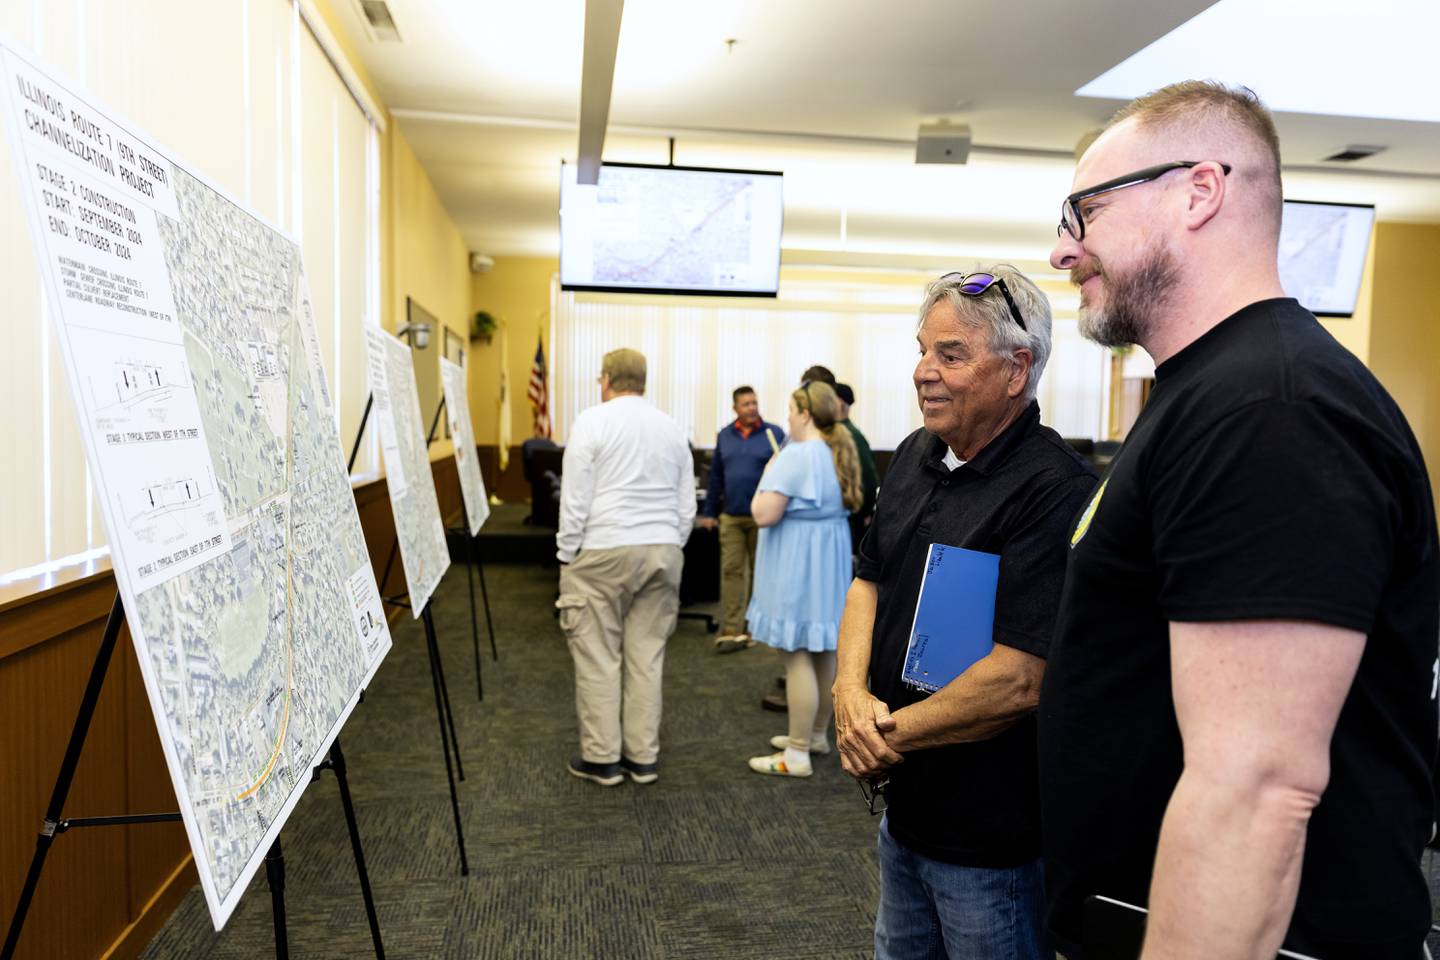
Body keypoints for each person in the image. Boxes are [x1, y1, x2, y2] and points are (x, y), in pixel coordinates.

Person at [1041, 81, 1439, 960]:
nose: (1065, 252)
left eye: (1084, 212)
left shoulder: (1270, 409)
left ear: (1199, 191)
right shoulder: (1214, 392)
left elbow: (1255, 790)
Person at [833, 266, 1095, 959]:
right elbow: (869, 583)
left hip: (991, 844)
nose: (924, 371)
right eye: (923, 350)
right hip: (907, 816)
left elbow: (1018, 680)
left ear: (1017, 370)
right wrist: (849, 694)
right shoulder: (920, 453)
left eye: (951, 355)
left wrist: (881, 732)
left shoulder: (1053, 491)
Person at [555, 348, 695, 787]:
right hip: (663, 550)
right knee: (647, 657)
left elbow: (575, 498)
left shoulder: (592, 421)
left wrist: (566, 553)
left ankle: (602, 760)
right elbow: (686, 503)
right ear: (644, 381)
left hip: (601, 551)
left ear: (606, 379)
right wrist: (672, 543)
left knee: (598, 657)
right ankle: (643, 758)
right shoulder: (672, 427)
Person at [745, 380, 863, 778]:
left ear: (806, 414)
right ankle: (814, 735)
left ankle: (796, 754)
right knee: (823, 652)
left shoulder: (796, 455)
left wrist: (769, 470)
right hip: (827, 563)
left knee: (795, 653)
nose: (788, 419)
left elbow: (763, 513)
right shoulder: (836, 451)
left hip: (798, 564)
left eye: (792, 412)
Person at [698, 386, 785, 654]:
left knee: (761, 573)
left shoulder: (774, 434)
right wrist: (710, 512)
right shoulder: (725, 436)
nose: (752, 407)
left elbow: (784, 473)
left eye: (755, 403)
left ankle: (754, 626)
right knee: (732, 571)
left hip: (763, 518)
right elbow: (715, 478)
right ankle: (733, 627)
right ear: (735, 407)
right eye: (746, 404)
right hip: (732, 516)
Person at [834, 382, 879, 542]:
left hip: (851, 518)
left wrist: (865, 512)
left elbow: (869, 479)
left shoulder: (849, 435)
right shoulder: (843, 432)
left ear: (839, 402)